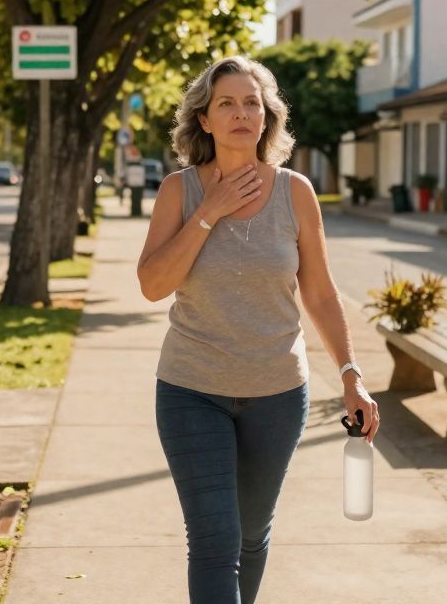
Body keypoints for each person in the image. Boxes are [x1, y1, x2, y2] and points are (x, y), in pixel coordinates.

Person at [137, 56, 380, 604]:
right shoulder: (180, 192)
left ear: (268, 117)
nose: (241, 113)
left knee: (250, 535)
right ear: (204, 119)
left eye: (252, 102)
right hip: (191, 389)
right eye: (226, 102)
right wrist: (210, 213)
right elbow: (153, 284)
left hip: (277, 393)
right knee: (215, 538)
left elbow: (319, 292)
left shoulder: (295, 192)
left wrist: (350, 375)